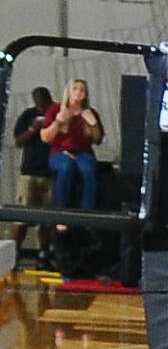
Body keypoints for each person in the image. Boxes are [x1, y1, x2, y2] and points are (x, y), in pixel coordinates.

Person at [43, 78, 102, 211]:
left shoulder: (89, 112)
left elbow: (97, 139)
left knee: (88, 169)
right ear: (68, 91)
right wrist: (58, 121)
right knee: (66, 167)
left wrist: (93, 124)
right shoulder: (56, 109)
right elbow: (45, 137)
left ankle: (88, 211)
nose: (78, 92)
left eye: (82, 90)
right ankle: (61, 210)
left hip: (83, 153)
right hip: (60, 153)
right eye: (75, 88)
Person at [8, 86, 53, 249]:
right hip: (30, 172)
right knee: (21, 218)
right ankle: (14, 254)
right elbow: (18, 142)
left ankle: (44, 254)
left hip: (51, 172)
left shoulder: (56, 113)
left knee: (48, 221)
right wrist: (33, 128)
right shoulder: (28, 115)